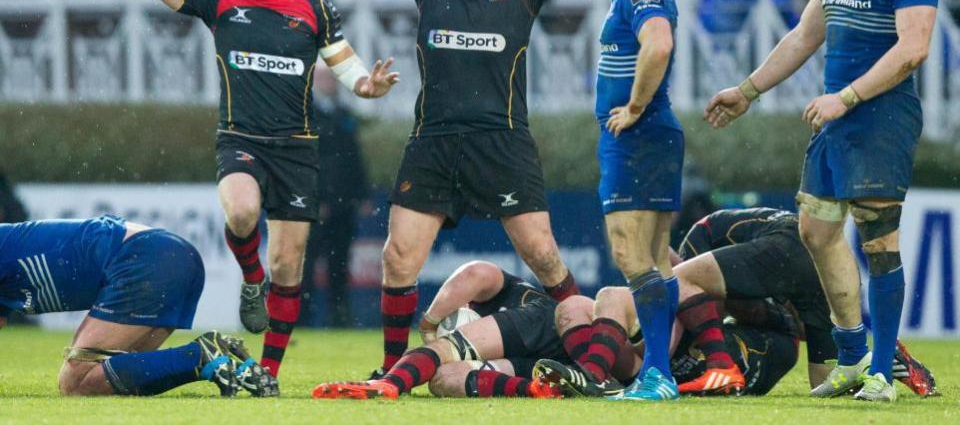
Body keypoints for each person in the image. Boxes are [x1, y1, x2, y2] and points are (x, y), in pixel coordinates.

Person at [125, 0, 399, 380]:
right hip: (241, 140)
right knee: (242, 209)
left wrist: (367, 85)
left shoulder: (313, 8)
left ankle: (267, 373)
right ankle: (252, 279)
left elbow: (343, 63)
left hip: (297, 150)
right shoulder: (221, 1)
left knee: (290, 268)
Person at [365, 0, 598, 375]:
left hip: (502, 140)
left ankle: (593, 356)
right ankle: (395, 370)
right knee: (397, 259)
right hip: (435, 140)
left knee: (543, 256)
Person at [705, 0, 940, 402]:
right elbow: (802, 38)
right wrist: (747, 91)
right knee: (815, 231)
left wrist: (847, 97)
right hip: (837, 116)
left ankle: (883, 372)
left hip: (880, 117)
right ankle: (854, 354)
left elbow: (914, 48)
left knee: (879, 240)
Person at [673, 207, 938, 397]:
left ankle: (720, 367)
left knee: (681, 281)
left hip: (786, 244)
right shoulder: (728, 245)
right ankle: (883, 360)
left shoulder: (695, 246)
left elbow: (709, 307)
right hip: (816, 256)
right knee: (829, 381)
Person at [0, 216, 275, 397]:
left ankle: (200, 355)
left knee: (77, 382)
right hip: (171, 256)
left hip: (146, 259)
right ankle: (226, 362)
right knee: (114, 375)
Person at [593, 0, 683, 400]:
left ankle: (657, 374)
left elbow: (660, 45)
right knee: (656, 260)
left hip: (638, 135)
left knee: (630, 254)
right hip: (655, 135)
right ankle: (658, 372)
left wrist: (633, 106)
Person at [311, 260, 564, 399]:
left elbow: (476, 272)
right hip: (543, 362)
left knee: (441, 350)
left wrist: (429, 323)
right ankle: (533, 390)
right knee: (444, 381)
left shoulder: (510, 292)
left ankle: (388, 383)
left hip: (542, 322)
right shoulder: (489, 338)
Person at [534, 287, 801, 399]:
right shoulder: (771, 338)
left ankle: (593, 374)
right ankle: (595, 378)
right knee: (573, 306)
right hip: (655, 369)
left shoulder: (780, 337)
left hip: (668, 368)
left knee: (612, 295)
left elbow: (703, 290)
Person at [301, 67, 368, 327]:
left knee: (340, 262)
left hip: (345, 203)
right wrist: (316, 200)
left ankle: (339, 315)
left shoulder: (343, 114)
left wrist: (361, 194)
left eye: (333, 79)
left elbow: (355, 158)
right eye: (325, 78)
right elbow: (307, 161)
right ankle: (301, 317)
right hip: (317, 204)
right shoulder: (307, 115)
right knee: (307, 263)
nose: (331, 84)